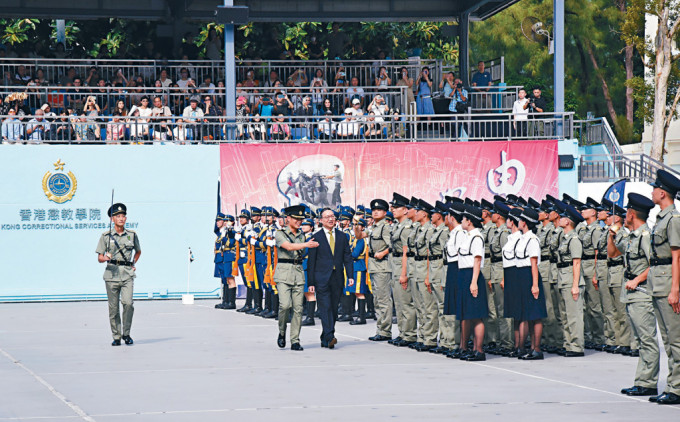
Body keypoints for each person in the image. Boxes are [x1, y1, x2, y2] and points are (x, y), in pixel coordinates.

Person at [613, 193, 660, 398]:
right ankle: (642, 381)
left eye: (626, 212)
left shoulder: (645, 236)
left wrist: (637, 279)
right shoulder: (633, 236)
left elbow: (654, 264)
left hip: (641, 293)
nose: (625, 215)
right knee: (641, 340)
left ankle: (648, 382)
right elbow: (614, 252)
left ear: (632, 214)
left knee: (647, 339)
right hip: (632, 294)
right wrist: (612, 232)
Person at [646, 170, 680, 405]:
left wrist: (675, 289)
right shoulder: (661, 218)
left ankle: (677, 388)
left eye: (654, 189)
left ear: (662, 192)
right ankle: (672, 385)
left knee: (676, 339)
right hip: (658, 283)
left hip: (668, 282)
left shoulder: (674, 219)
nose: (651, 192)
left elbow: (677, 256)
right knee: (667, 340)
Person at [95, 203, 141, 346]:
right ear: (112, 219)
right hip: (111, 275)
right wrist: (106, 257)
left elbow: (138, 251)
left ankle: (126, 334)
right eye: (117, 216)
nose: (121, 219)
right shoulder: (105, 236)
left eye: (123, 216)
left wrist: (133, 263)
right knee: (113, 308)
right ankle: (116, 336)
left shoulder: (132, 235)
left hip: (127, 275)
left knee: (128, 304)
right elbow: (99, 258)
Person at [275, 205, 319, 351]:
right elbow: (288, 247)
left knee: (298, 309)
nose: (299, 221)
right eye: (296, 219)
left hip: (298, 273)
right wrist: (306, 244)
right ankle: (282, 332)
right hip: (283, 273)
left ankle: (295, 340)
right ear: (288, 219)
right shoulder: (280, 233)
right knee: (285, 305)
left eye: (301, 219)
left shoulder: (301, 235)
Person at [307, 208, 353, 349]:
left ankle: (325, 336)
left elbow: (347, 257)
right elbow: (311, 262)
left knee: (333, 307)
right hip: (321, 278)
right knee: (324, 307)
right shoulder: (316, 237)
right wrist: (311, 282)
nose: (330, 219)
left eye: (332, 216)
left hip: (337, 277)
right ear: (321, 220)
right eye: (327, 217)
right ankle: (330, 336)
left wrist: (350, 275)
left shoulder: (342, 236)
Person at [456, 205, 488, 361]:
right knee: (467, 314)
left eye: (463, 218)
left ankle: (479, 350)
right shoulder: (467, 235)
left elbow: (477, 260)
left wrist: (474, 282)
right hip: (464, 274)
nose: (461, 221)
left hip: (472, 275)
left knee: (476, 315)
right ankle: (470, 348)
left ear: (469, 221)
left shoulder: (477, 237)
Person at [516, 207, 547, 360]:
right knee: (527, 315)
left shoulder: (532, 239)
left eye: (521, 220)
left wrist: (535, 285)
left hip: (530, 275)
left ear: (525, 222)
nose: (518, 222)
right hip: (521, 276)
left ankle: (537, 349)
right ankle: (529, 347)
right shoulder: (522, 238)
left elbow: (534, 263)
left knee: (535, 314)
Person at [556, 204, 586, 357]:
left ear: (568, 221)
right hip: (563, 278)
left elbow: (576, 262)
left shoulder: (574, 239)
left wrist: (575, 285)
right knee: (565, 315)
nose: (559, 219)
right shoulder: (565, 238)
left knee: (574, 315)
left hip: (571, 280)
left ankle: (576, 346)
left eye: (562, 217)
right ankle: (568, 344)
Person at [367, 199, 393, 341]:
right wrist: (357, 226)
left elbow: (392, 245)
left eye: (379, 210)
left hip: (382, 266)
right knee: (377, 299)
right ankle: (380, 329)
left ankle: (385, 331)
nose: (375, 212)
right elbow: (359, 236)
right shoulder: (374, 227)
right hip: (374, 266)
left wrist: (383, 253)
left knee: (383, 300)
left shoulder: (385, 227)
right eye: (374, 210)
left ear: (384, 212)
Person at [428, 201, 451, 354]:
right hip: (435, 269)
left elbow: (446, 255)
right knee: (439, 307)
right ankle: (443, 340)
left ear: (440, 216)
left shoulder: (443, 232)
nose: (431, 215)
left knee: (444, 307)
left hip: (441, 269)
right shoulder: (437, 231)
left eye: (434, 213)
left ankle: (448, 341)